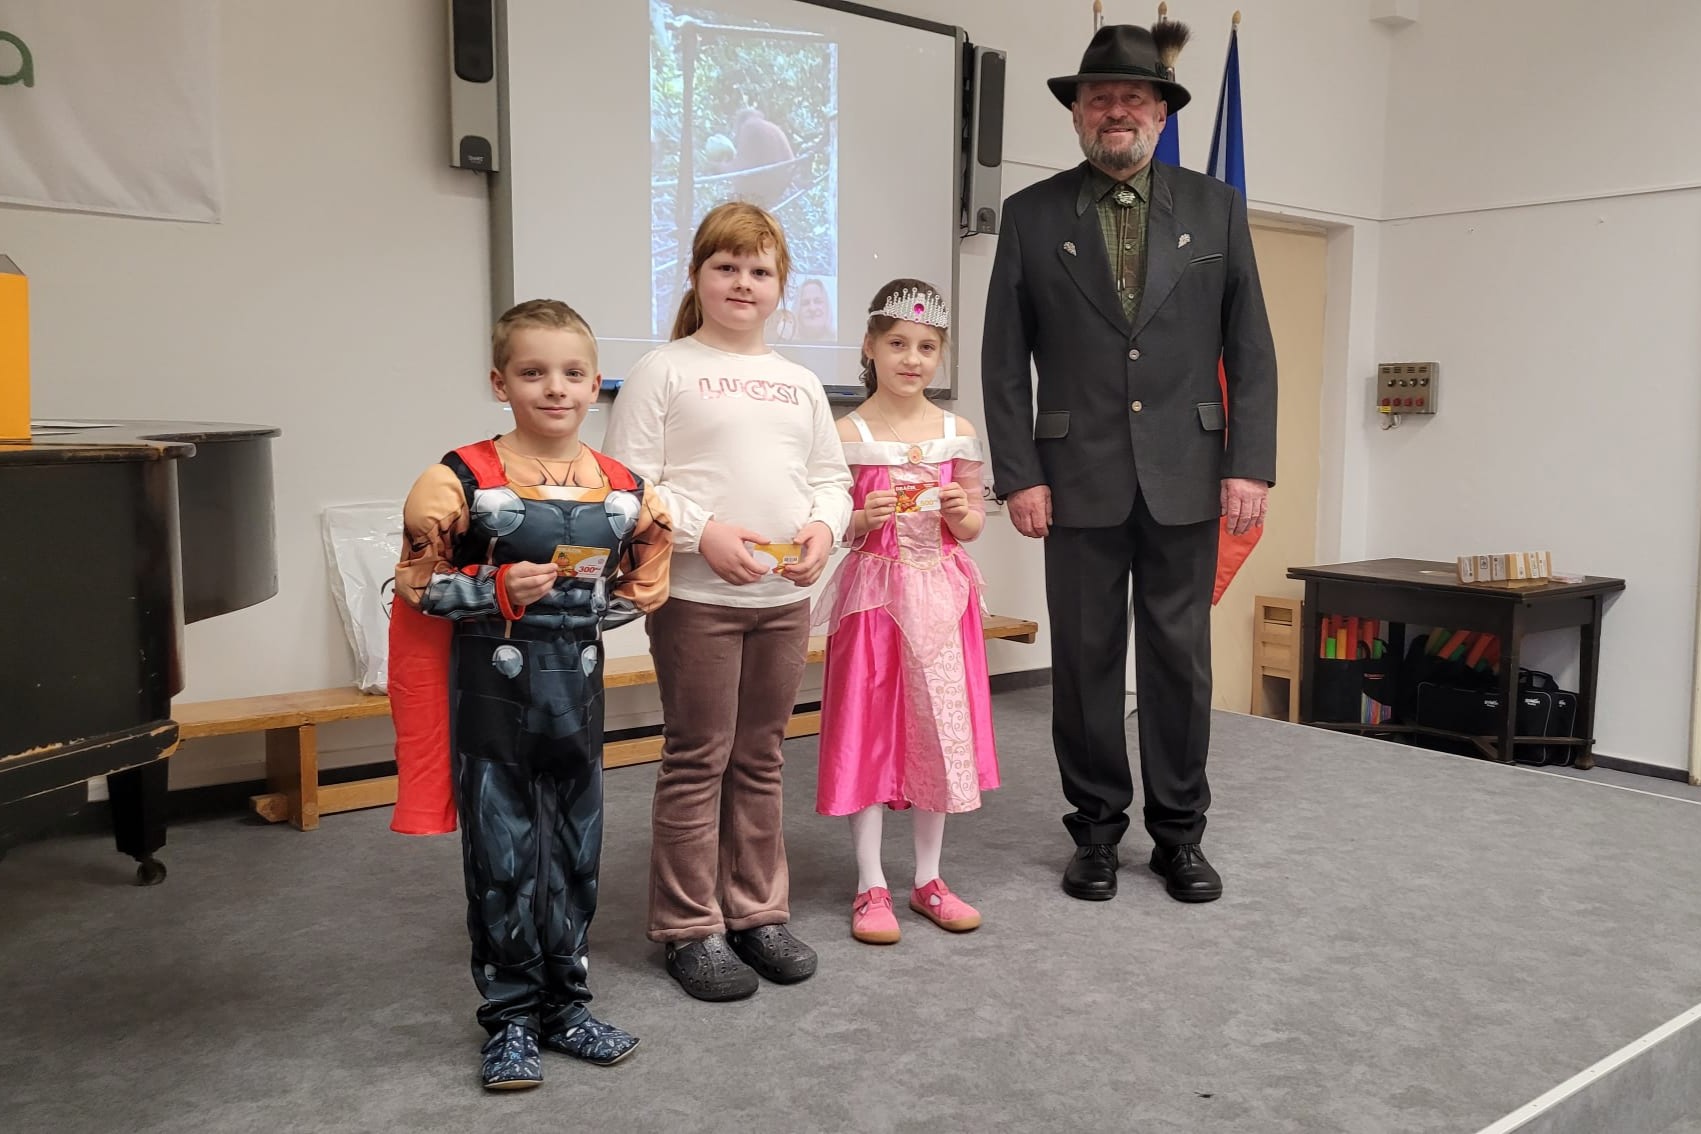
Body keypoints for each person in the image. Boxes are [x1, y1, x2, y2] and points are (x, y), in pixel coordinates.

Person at [980, 24, 1277, 905]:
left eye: (1133, 98)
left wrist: (1249, 464)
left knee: (1179, 663)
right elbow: (1003, 358)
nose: (1116, 111)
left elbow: (1249, 348)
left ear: (1160, 112)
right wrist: (1018, 473)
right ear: (1076, 113)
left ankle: (1179, 836)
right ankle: (1096, 832)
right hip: (1073, 478)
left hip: (1190, 471)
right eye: (1099, 98)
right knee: (1084, 662)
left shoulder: (1216, 207)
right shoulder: (1032, 215)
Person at [391, 299, 673, 1089]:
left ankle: (566, 1008)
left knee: (576, 855)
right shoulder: (458, 479)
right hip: (493, 701)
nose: (555, 388)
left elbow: (646, 579)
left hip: (576, 699)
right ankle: (511, 1018)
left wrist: (586, 605)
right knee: (503, 858)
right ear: (499, 383)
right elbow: (414, 582)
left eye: (573, 373)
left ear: (594, 384)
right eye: (533, 372)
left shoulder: (625, 488)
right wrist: (492, 588)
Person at [603, 201, 854, 1000]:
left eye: (759, 270)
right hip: (696, 600)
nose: (743, 282)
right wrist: (702, 532)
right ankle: (690, 927)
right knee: (697, 757)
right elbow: (629, 486)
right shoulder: (663, 370)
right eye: (726, 266)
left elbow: (831, 479)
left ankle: (756, 913)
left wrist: (824, 526)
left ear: (779, 286)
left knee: (761, 756)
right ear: (696, 276)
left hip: (782, 601)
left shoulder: (799, 382)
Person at [814, 279, 998, 945]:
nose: (911, 359)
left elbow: (972, 524)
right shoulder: (845, 433)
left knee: (936, 729)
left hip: (941, 598)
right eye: (897, 344)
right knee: (867, 728)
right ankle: (869, 882)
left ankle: (928, 878)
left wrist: (960, 512)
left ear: (940, 355)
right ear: (870, 347)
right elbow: (831, 525)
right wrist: (861, 518)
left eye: (925, 347)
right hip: (874, 599)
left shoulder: (957, 432)